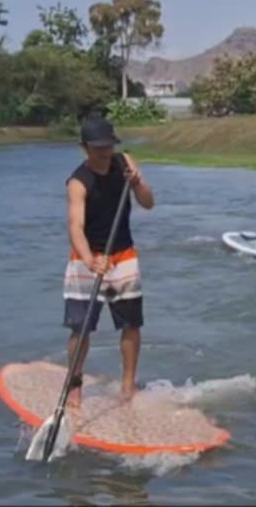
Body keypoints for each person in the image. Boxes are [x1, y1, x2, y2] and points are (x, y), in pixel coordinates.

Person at [63, 115, 155, 408]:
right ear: (84, 148)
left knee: (131, 323)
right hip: (86, 258)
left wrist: (138, 183)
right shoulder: (78, 182)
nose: (105, 153)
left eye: (109, 146)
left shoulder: (124, 163)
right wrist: (90, 260)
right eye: (98, 148)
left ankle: (128, 385)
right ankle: (75, 384)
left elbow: (148, 203)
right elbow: (75, 227)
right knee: (81, 327)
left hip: (123, 255)